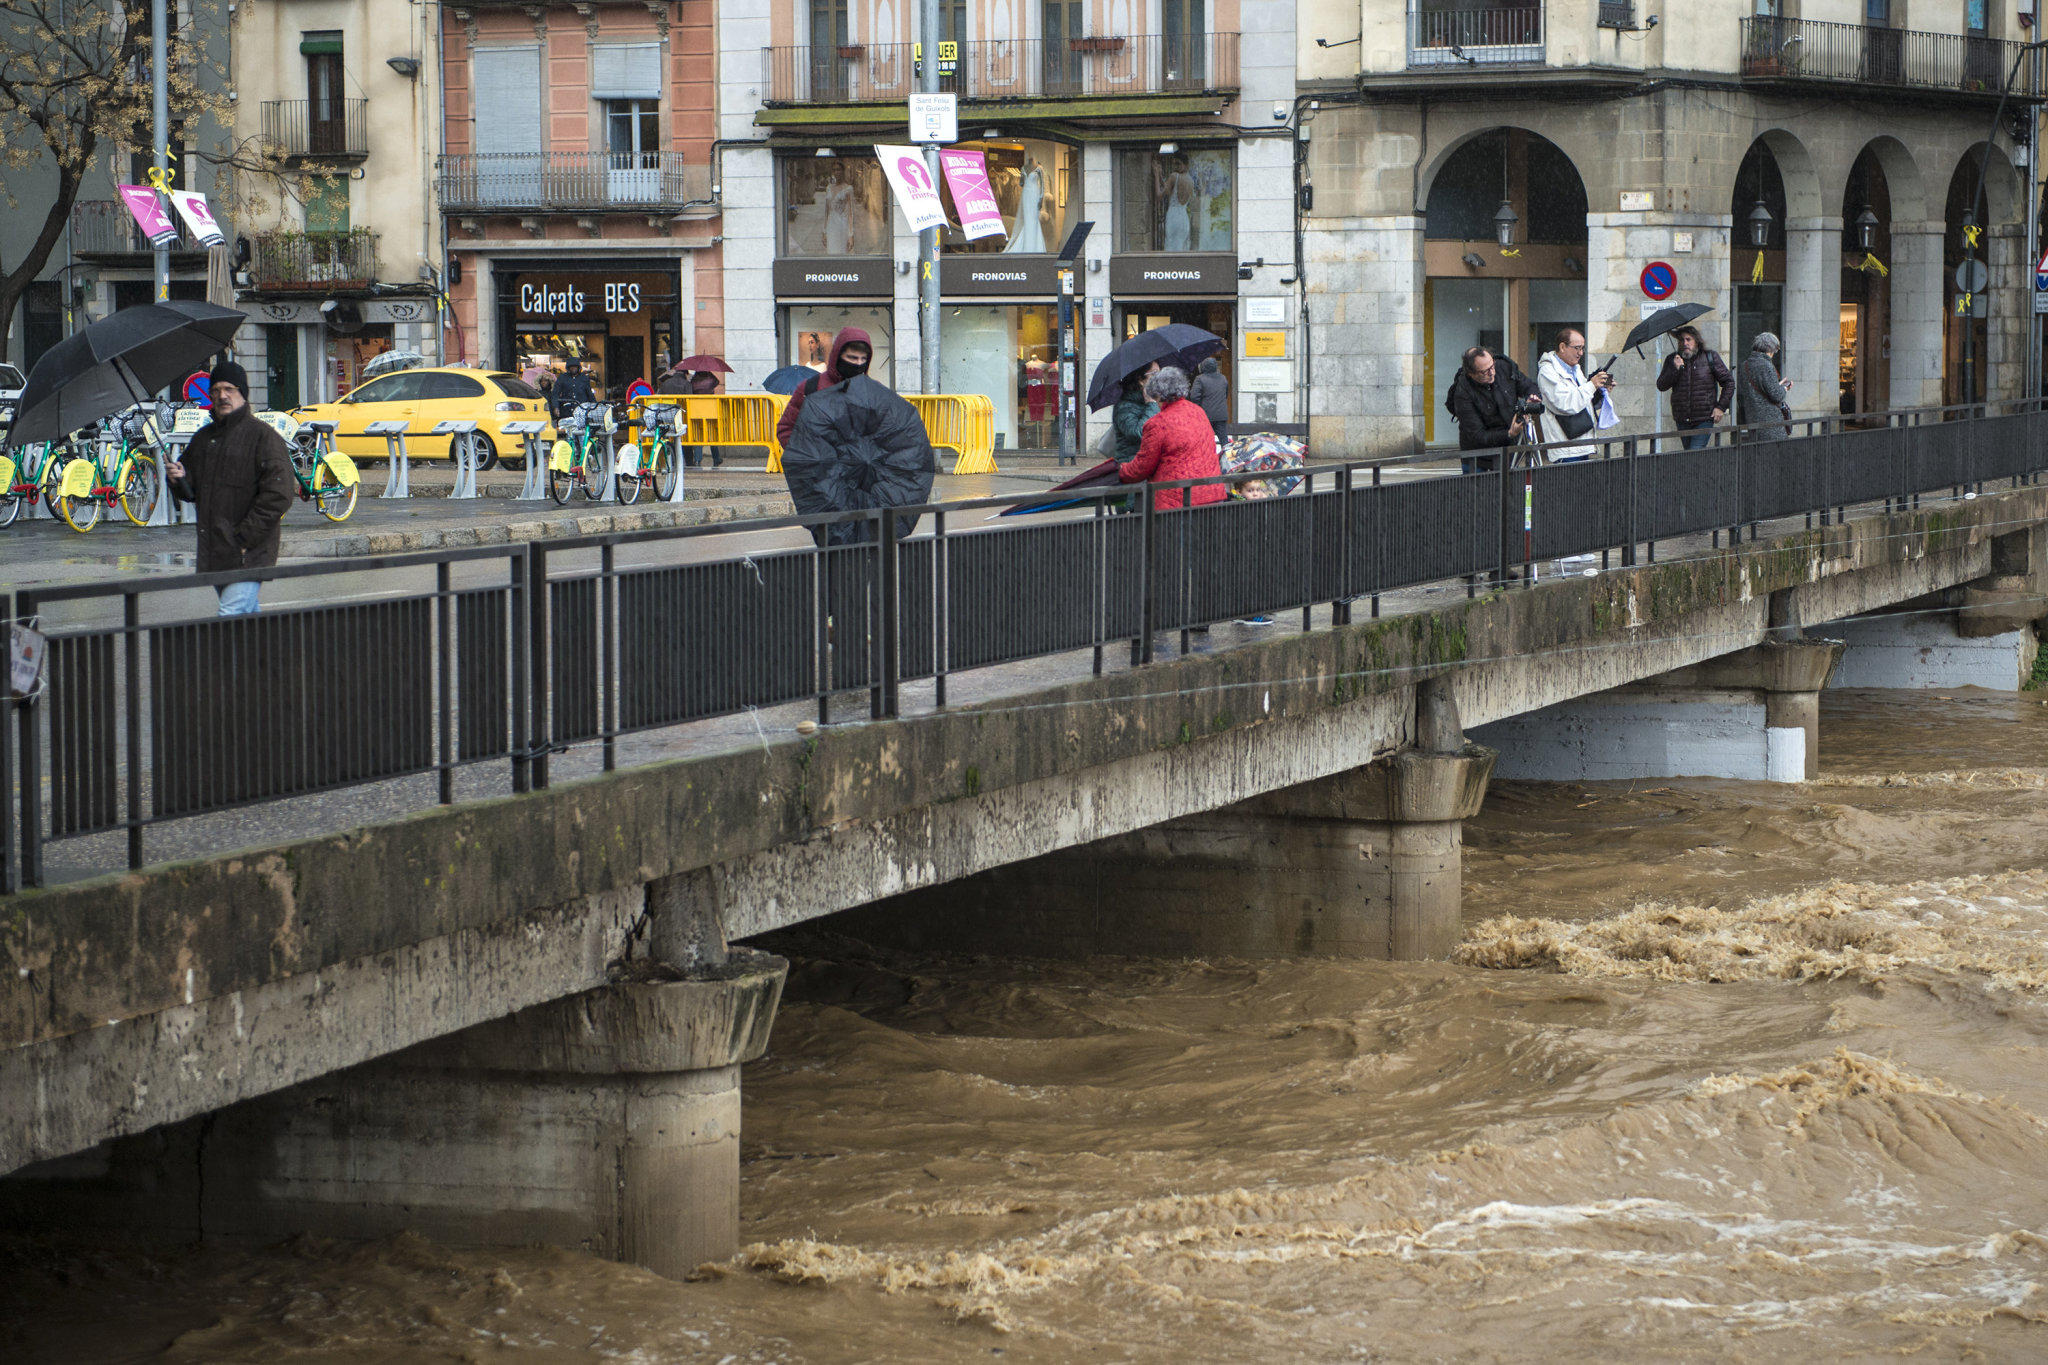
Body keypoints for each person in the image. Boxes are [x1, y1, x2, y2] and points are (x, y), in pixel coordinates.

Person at [164, 359, 296, 617]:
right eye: (215, 390)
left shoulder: (263, 437)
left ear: (242, 393)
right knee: (245, 619)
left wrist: (243, 538)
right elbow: (190, 490)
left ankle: (225, 659)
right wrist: (179, 478)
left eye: (229, 389)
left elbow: (279, 494)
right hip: (217, 548)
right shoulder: (204, 438)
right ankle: (268, 657)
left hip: (248, 552)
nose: (222, 396)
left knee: (230, 617)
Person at [1117, 366, 1225, 511]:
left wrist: (1120, 471)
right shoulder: (1198, 411)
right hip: (1212, 495)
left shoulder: (1157, 423)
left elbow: (1142, 467)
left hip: (1178, 501)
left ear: (1157, 395)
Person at [1446, 346, 1539, 473]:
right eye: (1485, 371)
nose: (1492, 373)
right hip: (1477, 458)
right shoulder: (1463, 392)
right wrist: (1509, 433)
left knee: (1508, 489)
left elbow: (1528, 385)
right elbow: (1478, 435)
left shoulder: (1503, 367)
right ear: (1471, 374)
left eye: (1492, 366)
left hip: (1507, 452)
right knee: (1480, 491)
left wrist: (1532, 397)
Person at [775, 327, 871, 448]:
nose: (858, 364)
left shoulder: (872, 392)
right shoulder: (810, 387)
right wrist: (806, 456)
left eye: (863, 359)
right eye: (852, 358)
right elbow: (786, 428)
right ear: (838, 356)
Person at [1654, 325, 1735, 450]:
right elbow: (1661, 385)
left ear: (1696, 341)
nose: (1685, 343)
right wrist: (1675, 369)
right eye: (1681, 340)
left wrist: (1721, 407)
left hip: (1704, 418)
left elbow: (1729, 382)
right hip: (1682, 418)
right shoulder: (1672, 359)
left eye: (1688, 339)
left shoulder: (1710, 357)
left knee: (1694, 452)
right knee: (1689, 455)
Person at [1537, 328, 1611, 463]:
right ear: (1562, 347)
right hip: (1565, 449)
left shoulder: (1575, 368)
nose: (1581, 353)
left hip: (1582, 444)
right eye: (1577, 348)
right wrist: (1591, 385)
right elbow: (1566, 404)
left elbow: (1583, 401)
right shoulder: (1547, 372)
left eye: (1582, 348)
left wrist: (1600, 391)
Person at [1739, 331, 1793, 441]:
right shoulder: (1766, 365)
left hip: (1752, 418)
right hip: (1770, 421)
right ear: (1770, 349)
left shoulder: (1744, 365)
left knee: (1757, 454)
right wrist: (1784, 388)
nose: (1774, 353)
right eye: (1775, 350)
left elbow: (1753, 388)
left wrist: (1777, 385)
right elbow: (1777, 395)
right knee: (1774, 454)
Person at [1111, 362, 1159, 461]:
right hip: (1131, 465)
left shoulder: (1156, 401)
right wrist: (1151, 404)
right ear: (1141, 380)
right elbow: (1138, 433)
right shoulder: (1124, 406)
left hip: (1150, 463)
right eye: (1154, 374)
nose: (1160, 378)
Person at [1190, 356, 1230, 442]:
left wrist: (1198, 408)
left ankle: (1209, 455)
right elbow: (1226, 394)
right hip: (1221, 415)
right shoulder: (1223, 378)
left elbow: (1194, 396)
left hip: (1206, 415)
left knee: (1206, 440)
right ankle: (1226, 455)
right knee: (1224, 440)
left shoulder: (1200, 379)